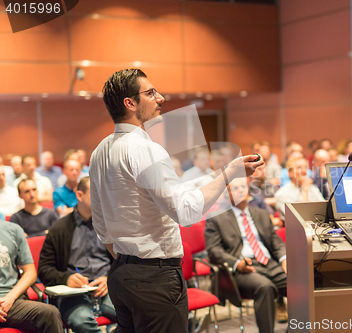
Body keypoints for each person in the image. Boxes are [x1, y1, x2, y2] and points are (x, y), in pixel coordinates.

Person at [89, 68, 263, 333]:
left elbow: (101, 225)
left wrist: (130, 261)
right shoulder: (146, 149)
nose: (160, 98)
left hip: (122, 274)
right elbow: (185, 211)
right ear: (130, 103)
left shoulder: (100, 150)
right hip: (154, 278)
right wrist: (229, 173)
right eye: (150, 93)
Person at [205, 177, 287, 333]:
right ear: (226, 194)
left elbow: (275, 242)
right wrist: (237, 263)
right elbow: (214, 251)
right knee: (265, 287)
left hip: (268, 263)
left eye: (243, 186)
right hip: (243, 268)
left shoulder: (261, 214)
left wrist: (284, 259)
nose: (241, 190)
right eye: (235, 188)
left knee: (301, 283)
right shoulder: (217, 218)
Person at [38, 177, 116, 333]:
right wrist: (66, 278)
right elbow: (44, 269)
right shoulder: (59, 229)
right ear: (79, 196)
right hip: (73, 293)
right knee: (82, 322)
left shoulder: (109, 225)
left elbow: (122, 260)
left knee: (138, 314)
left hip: (107, 289)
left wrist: (109, 278)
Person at [0, 218, 64, 332]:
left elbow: (30, 272)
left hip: (11, 301)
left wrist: (10, 298)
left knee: (49, 313)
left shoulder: (13, 230)